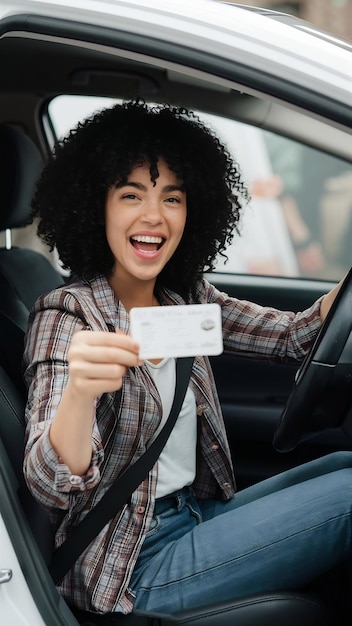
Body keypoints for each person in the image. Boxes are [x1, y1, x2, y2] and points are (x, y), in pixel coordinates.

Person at [23, 99, 350, 623]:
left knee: (344, 467)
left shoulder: (184, 298)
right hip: (130, 563)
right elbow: (47, 480)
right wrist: (80, 395)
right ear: (95, 206)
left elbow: (292, 336)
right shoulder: (67, 316)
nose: (153, 215)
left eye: (171, 198)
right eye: (131, 195)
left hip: (197, 512)